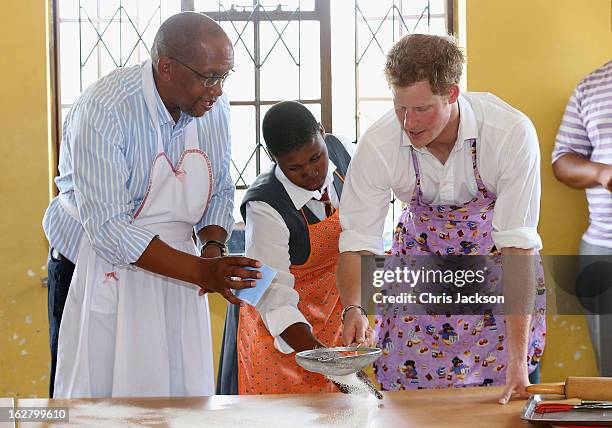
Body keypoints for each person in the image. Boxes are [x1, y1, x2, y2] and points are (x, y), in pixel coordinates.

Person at [42, 12, 261, 398]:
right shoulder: (106, 109)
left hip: (181, 271)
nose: (218, 90)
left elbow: (220, 190)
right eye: (209, 77)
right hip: (94, 265)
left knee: (177, 393)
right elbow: (109, 228)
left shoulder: (212, 108)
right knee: (100, 398)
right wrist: (201, 271)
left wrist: (212, 250)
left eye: (224, 77)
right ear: (166, 67)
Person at [336, 34, 546, 403]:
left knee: (501, 399)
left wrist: (517, 362)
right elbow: (358, 242)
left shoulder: (510, 133)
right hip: (418, 271)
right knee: (408, 404)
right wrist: (354, 308)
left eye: (421, 109)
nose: (408, 122)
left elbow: (517, 249)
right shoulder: (379, 143)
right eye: (400, 107)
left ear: (452, 93)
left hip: (497, 273)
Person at [232, 101, 354, 394]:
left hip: (331, 318)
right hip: (282, 336)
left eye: (316, 158)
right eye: (295, 168)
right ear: (275, 159)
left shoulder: (341, 153)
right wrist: (332, 367)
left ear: (323, 135)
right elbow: (273, 298)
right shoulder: (265, 207)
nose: (311, 173)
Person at [552, 60, 612, 376]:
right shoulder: (592, 85)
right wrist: (601, 173)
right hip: (604, 249)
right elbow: (562, 160)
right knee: (610, 375)